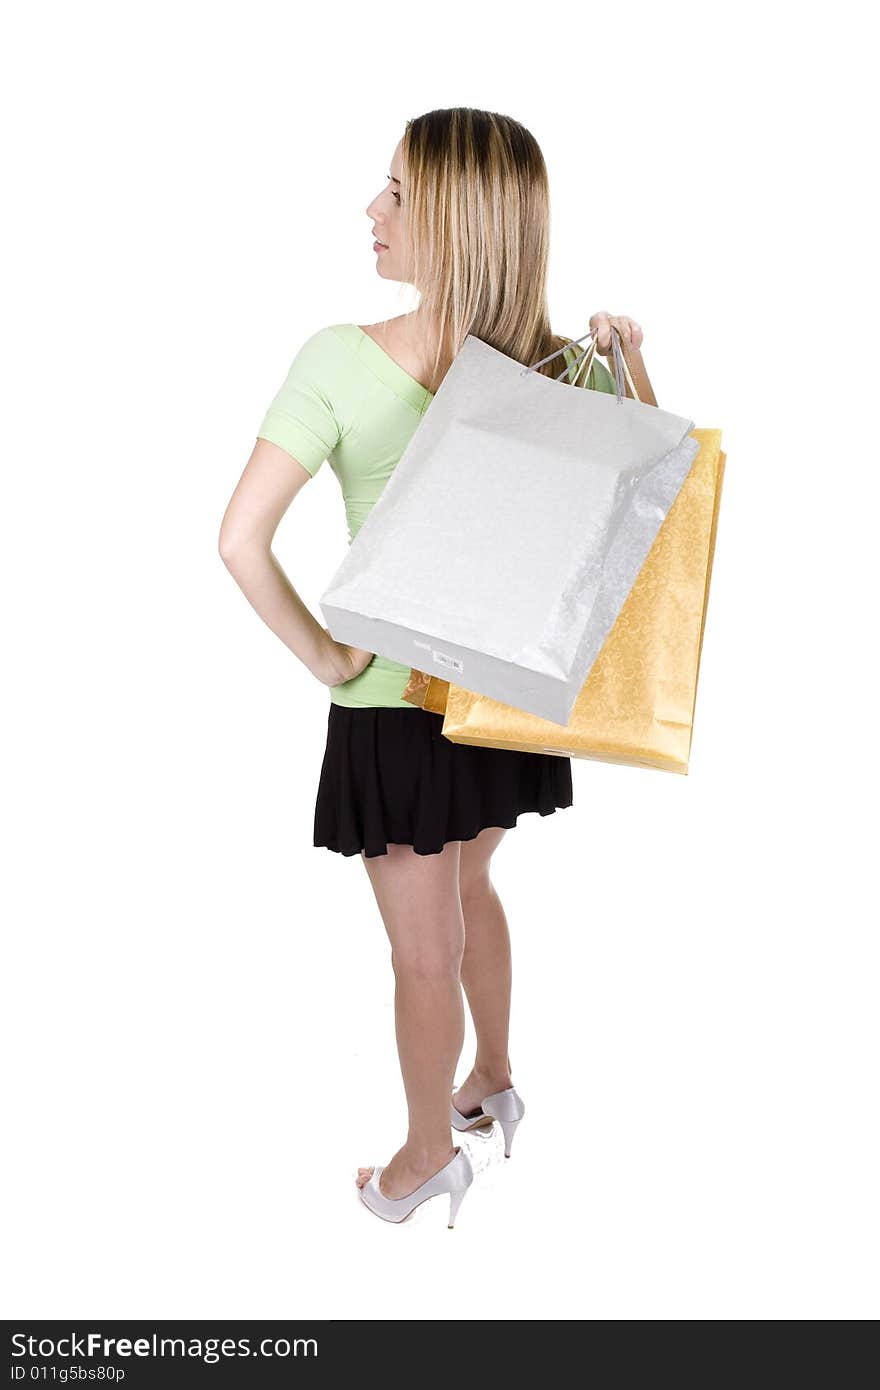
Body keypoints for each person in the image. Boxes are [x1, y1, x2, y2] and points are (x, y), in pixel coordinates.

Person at [219, 107, 647, 1228]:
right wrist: (632, 366)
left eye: (399, 192)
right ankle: (492, 1080)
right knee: (470, 889)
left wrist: (326, 655)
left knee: (423, 952)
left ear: (454, 220)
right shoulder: (558, 371)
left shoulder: (341, 361)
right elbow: (639, 516)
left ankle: (421, 1157)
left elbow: (236, 540)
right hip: (502, 692)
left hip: (395, 710)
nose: (373, 209)